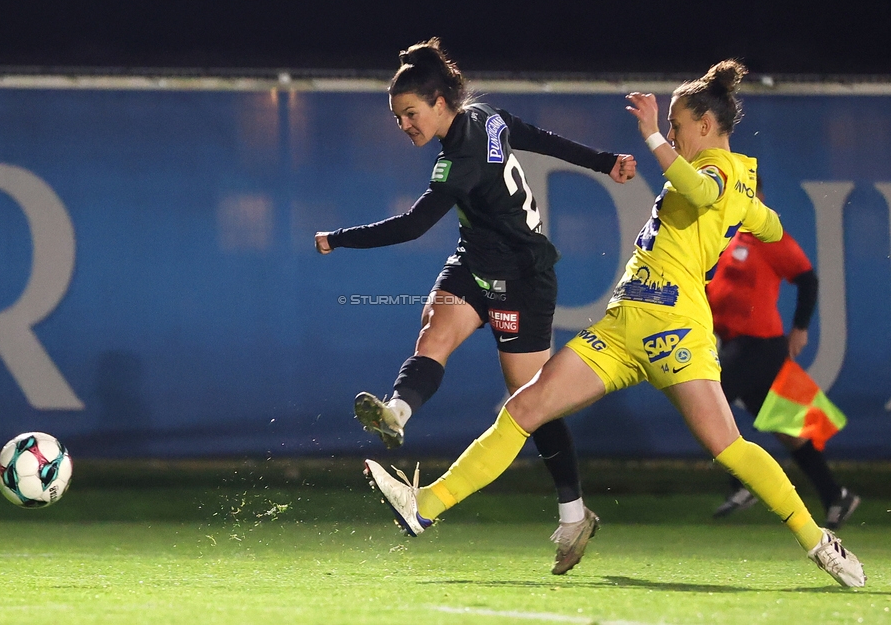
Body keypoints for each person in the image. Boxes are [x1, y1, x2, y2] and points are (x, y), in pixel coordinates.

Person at [363, 59, 866, 588]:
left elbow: (700, 191)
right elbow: (770, 224)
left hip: (674, 328)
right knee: (524, 407)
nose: (671, 131)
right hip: (623, 323)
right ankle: (424, 507)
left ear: (704, 126)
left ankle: (818, 541)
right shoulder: (734, 181)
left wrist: (652, 137)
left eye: (676, 124)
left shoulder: (717, 169)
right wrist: (745, 213)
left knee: (728, 447)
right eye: (667, 124)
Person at [315, 37, 637, 574]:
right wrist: (603, 161)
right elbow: (534, 135)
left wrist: (338, 238)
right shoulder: (486, 116)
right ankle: (397, 412)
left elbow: (414, 225)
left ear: (440, 102)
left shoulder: (459, 158)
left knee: (532, 402)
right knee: (433, 333)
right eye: (398, 117)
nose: (405, 126)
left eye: (410, 114)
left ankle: (575, 513)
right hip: (476, 261)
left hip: (522, 276)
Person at [707, 176, 860, 528]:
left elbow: (807, 279)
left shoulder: (768, 235)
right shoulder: (729, 235)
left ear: (757, 195)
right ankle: (836, 496)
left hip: (759, 344)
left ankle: (740, 485)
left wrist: (800, 328)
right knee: (787, 428)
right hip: (738, 343)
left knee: (713, 396)